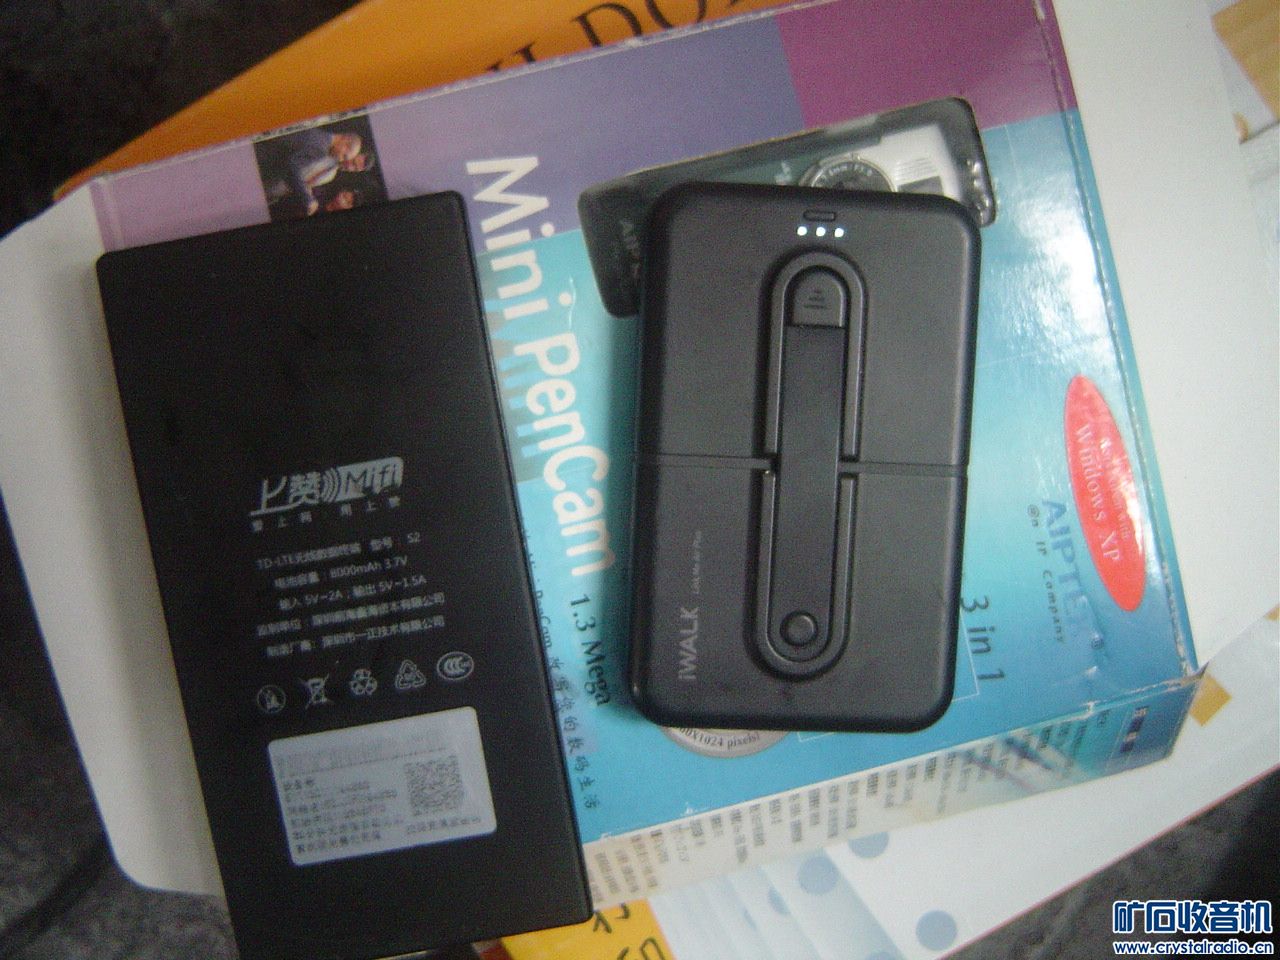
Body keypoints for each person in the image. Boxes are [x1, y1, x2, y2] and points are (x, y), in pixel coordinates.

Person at [261, 128, 375, 216]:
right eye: (353, 162)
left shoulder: (331, 176)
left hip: (272, 193)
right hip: (266, 173)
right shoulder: (322, 146)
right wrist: (307, 197)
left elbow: (303, 182)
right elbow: (292, 166)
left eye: (355, 169)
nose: (349, 166)